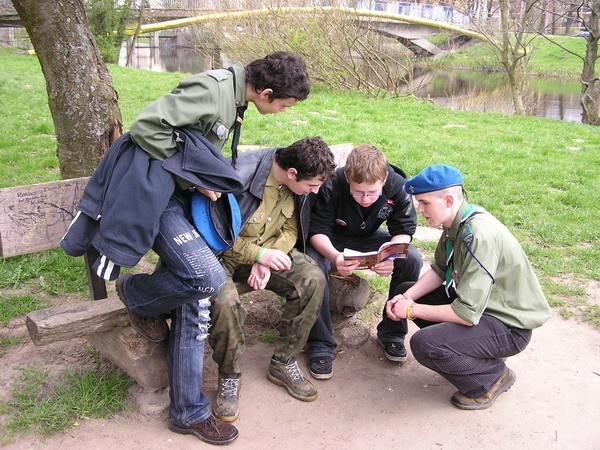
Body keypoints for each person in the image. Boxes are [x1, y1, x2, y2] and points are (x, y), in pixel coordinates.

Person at [75, 52, 310, 446]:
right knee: (207, 277)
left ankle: (188, 413)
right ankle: (137, 293)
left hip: (177, 199)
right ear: (267, 92)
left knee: (197, 299)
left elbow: (192, 142)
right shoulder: (212, 89)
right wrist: (197, 178)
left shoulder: (235, 98)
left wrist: (202, 179)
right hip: (154, 197)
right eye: (284, 104)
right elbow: (147, 127)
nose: (284, 111)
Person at [386, 164, 551, 410]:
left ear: (448, 199)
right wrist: (405, 297)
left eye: (424, 203)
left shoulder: (477, 234)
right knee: (410, 287)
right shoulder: (457, 223)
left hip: (509, 327)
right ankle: (475, 356)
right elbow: (441, 270)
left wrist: (411, 310)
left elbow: (465, 313)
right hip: (485, 310)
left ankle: (491, 378)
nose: (419, 210)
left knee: (424, 344)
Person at [209, 136, 337, 423]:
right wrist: (258, 254)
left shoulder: (296, 187)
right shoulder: (240, 175)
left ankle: (284, 361)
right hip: (220, 257)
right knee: (224, 301)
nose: (314, 191)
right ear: (292, 173)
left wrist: (269, 257)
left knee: (312, 277)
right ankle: (228, 374)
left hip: (264, 255)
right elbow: (213, 234)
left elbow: (290, 230)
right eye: (312, 185)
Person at [305, 144, 423, 379]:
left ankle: (392, 332)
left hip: (368, 238)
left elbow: (404, 228)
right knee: (313, 266)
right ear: (348, 177)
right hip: (330, 240)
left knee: (412, 259)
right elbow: (316, 230)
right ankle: (320, 342)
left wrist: (391, 254)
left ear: (385, 178)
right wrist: (334, 257)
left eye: (373, 192)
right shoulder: (331, 184)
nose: (366, 199)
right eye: (358, 192)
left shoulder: (397, 185)